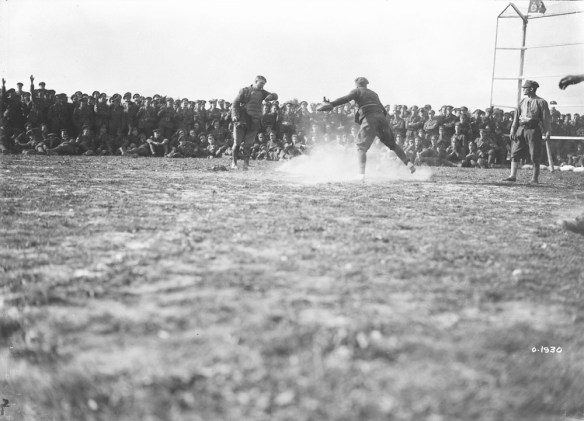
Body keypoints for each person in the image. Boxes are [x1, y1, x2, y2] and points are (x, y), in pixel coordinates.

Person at [319, 77, 415, 178]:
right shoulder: (374, 94)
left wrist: (331, 104)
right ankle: (409, 164)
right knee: (393, 145)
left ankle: (361, 175)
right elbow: (384, 110)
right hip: (381, 118)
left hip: (370, 119)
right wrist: (381, 124)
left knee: (361, 148)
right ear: (366, 84)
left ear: (356, 84)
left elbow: (345, 99)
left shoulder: (357, 91)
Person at [503, 80, 551, 184]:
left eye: (525, 88)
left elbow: (545, 118)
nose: (523, 89)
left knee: (534, 154)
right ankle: (512, 175)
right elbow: (516, 117)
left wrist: (547, 131)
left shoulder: (541, 102)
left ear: (532, 89)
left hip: (533, 130)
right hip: (520, 129)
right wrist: (513, 129)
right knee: (514, 152)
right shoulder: (522, 101)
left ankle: (534, 178)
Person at [231, 75, 278, 169]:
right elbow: (235, 103)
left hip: (255, 121)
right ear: (255, 81)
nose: (262, 86)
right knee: (237, 143)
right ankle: (234, 163)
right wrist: (235, 115)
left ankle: (246, 163)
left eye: (264, 84)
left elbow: (275, 95)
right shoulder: (245, 90)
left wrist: (271, 96)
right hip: (242, 119)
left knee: (248, 144)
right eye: (261, 83)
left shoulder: (263, 92)